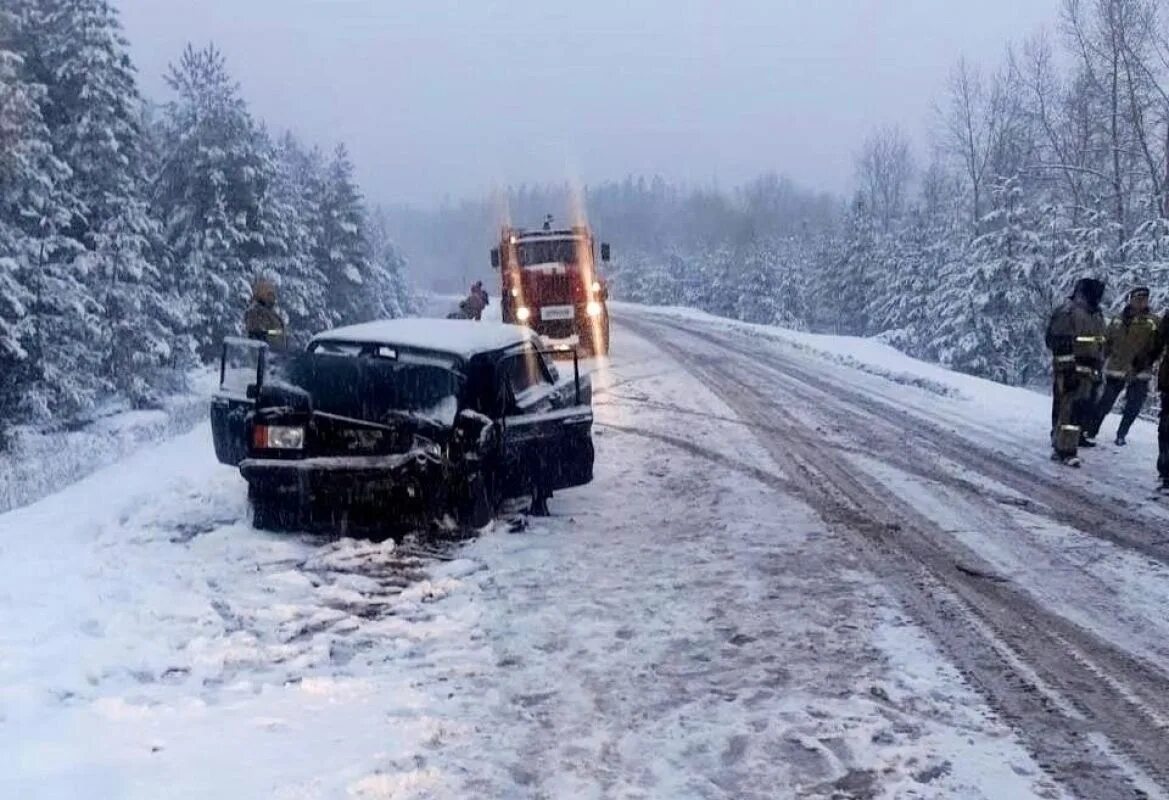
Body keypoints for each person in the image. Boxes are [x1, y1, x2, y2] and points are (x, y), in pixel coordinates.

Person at [1045, 277, 1107, 466]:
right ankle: (1065, 450)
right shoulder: (1068, 313)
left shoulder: (1096, 315)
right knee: (1069, 411)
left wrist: (1098, 369)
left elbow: (1099, 344)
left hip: (1089, 371)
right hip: (1071, 370)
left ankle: (1065, 442)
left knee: (1079, 411)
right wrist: (1068, 369)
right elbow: (1058, 343)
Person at [1089, 287, 1159, 446]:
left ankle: (1122, 434)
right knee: (1105, 402)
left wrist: (1149, 361)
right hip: (1116, 368)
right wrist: (1099, 360)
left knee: (1133, 406)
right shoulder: (1117, 320)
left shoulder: (1153, 322)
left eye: (1144, 299)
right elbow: (1107, 342)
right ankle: (1092, 429)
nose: (1141, 302)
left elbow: (1158, 346)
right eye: (1138, 298)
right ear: (1131, 299)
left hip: (1140, 372)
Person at [244, 278, 287, 347]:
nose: (273, 296)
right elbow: (261, 332)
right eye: (269, 293)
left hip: (278, 353)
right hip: (266, 352)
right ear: (261, 293)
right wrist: (277, 332)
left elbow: (277, 331)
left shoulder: (269, 310)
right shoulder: (256, 311)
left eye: (273, 293)